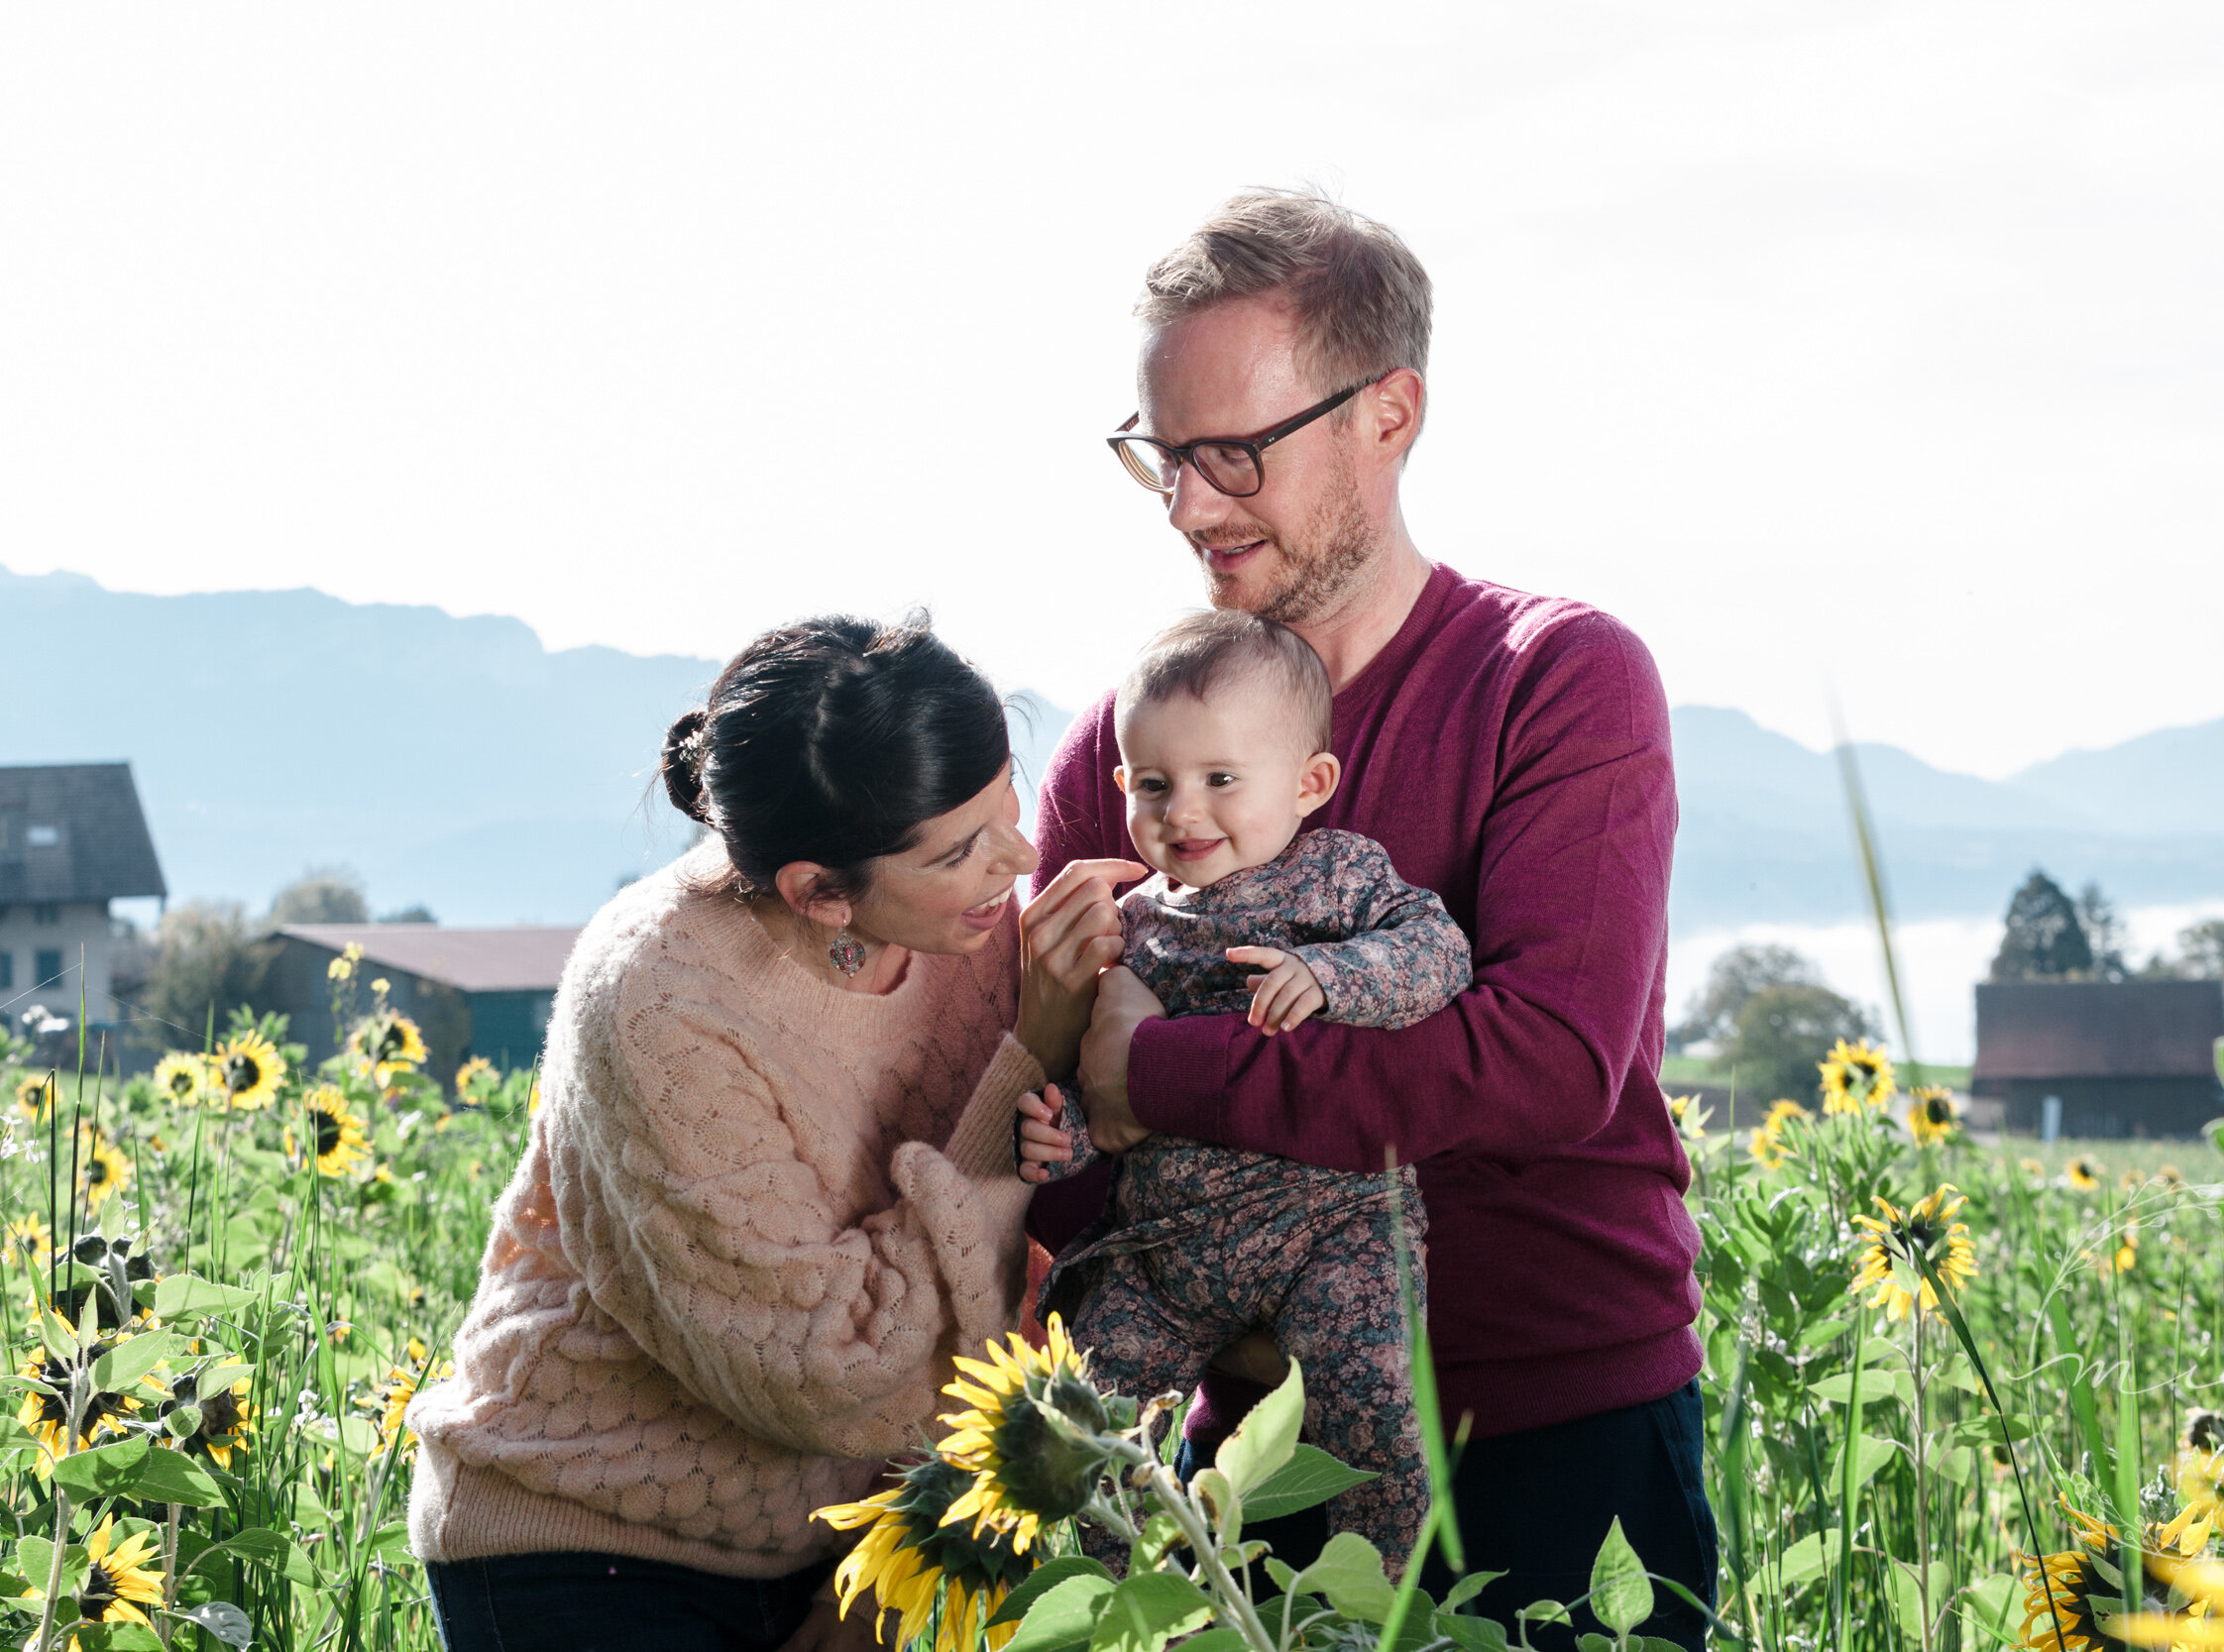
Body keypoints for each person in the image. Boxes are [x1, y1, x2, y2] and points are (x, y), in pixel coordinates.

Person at [1027, 191, 1718, 1651]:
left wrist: (1156, 1076)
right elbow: (1046, 1114)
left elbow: (1541, 1062)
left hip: (1552, 1431)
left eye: (1234, 453)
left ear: (1389, 412)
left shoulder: (1558, 680)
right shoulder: (1124, 753)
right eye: (1161, 453)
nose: (1190, 504)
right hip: (1242, 1466)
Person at [408, 613, 1142, 1652]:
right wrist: (1029, 1055)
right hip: (591, 1540)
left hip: (840, 1536)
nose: (1016, 858)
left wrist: (897, 1558)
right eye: (961, 848)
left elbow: (1001, 1286)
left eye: (1004, 805)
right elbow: (827, 1362)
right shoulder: (660, 1001)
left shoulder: (965, 927)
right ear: (816, 891)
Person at [1017, 607, 1472, 1572]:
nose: (1183, 810)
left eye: (1220, 779)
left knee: (1376, 1405)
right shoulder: (1133, 923)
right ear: (1121, 786)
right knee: (1085, 1418)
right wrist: (1066, 1134)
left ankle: (1373, 1605)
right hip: (1168, 1247)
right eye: (1155, 784)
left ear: (1309, 783)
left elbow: (1437, 951)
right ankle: (1117, 1600)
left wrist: (1337, 975)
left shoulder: (1340, 877)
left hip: (1330, 1231)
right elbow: (1113, 1097)